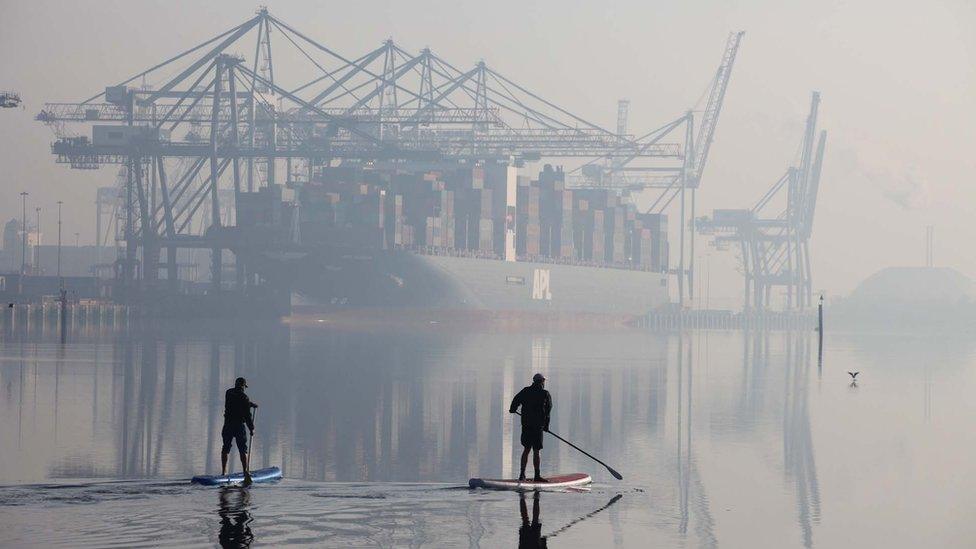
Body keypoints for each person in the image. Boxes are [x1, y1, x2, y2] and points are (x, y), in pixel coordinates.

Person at [509, 373, 552, 482]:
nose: (544, 383)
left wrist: (513, 409)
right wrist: (546, 426)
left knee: (526, 449)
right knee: (536, 451)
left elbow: (515, 400)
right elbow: (548, 411)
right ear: (542, 381)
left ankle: (522, 475)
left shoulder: (526, 391)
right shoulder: (545, 394)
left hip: (526, 425)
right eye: (543, 381)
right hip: (538, 427)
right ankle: (537, 476)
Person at [222, 377, 258, 484]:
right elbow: (247, 415)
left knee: (226, 447)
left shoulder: (228, 393)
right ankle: (245, 472)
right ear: (243, 386)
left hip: (227, 424)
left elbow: (236, 401)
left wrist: (250, 404)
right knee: (243, 449)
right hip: (238, 426)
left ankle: (223, 472)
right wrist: (252, 429)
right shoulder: (244, 397)